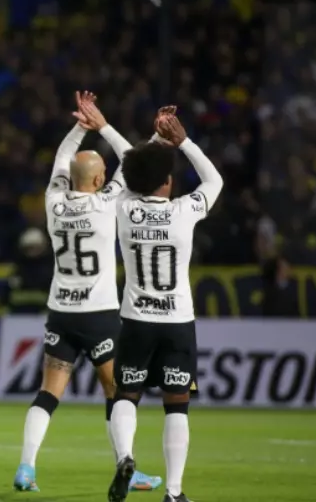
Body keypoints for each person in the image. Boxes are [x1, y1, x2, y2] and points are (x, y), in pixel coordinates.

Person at [13, 92, 165, 493]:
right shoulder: (107, 203)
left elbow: (62, 161)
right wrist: (102, 125)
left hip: (61, 312)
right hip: (99, 314)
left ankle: (26, 467)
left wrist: (80, 127)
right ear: (99, 180)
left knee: (49, 393)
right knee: (116, 391)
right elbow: (132, 159)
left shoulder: (53, 203)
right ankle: (126, 465)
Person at [108, 114, 223, 502]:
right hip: (177, 322)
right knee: (177, 407)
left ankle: (126, 457)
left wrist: (154, 139)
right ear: (168, 182)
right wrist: (182, 141)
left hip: (136, 320)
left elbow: (128, 170)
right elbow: (214, 181)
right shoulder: (183, 212)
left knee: (126, 395)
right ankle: (173, 493)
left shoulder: (123, 209)